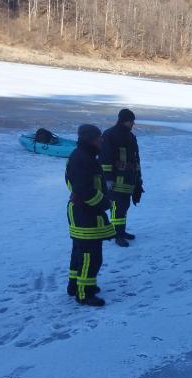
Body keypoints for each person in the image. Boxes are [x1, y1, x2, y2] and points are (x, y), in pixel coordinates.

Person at [66, 125, 116, 307]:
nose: (101, 140)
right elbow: (84, 190)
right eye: (98, 137)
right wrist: (105, 203)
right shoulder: (83, 159)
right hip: (85, 213)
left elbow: (74, 185)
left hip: (82, 211)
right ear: (90, 139)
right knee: (90, 256)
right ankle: (84, 293)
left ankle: (74, 285)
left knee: (79, 252)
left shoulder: (82, 155)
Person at [101, 109, 144, 247]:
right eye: (131, 121)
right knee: (117, 207)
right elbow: (105, 158)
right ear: (125, 120)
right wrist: (108, 179)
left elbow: (136, 158)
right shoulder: (109, 134)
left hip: (129, 178)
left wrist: (138, 178)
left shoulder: (130, 136)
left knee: (124, 205)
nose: (133, 123)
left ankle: (122, 231)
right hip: (116, 179)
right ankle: (117, 235)